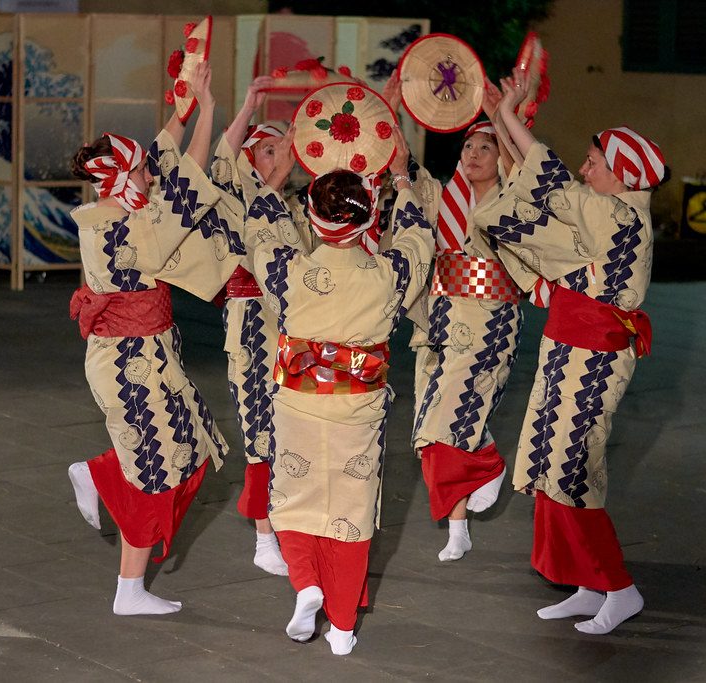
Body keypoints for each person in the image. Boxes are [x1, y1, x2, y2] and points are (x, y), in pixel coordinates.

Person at [472, 70, 665, 634]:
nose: (586, 169)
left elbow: (551, 183)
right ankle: (585, 583)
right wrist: (504, 124)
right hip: (568, 350)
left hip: (594, 360)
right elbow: (541, 191)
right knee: (548, 463)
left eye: (595, 162)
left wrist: (509, 117)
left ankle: (618, 587)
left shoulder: (623, 217)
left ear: (623, 173)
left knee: (573, 470)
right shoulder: (607, 215)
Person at [244, 126, 434, 655]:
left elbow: (259, 227)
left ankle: (305, 584)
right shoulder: (390, 274)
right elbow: (418, 234)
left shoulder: (288, 269)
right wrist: (400, 178)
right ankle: (344, 629)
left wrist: (276, 176)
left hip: (299, 403)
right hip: (357, 409)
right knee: (349, 514)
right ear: (371, 219)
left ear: (311, 219)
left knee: (294, 500)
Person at [65, 62, 242, 615]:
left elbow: (164, 158)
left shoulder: (109, 212)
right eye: (142, 171)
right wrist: (207, 110)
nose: (151, 177)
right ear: (127, 177)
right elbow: (189, 179)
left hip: (136, 358)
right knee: (161, 470)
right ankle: (126, 577)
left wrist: (185, 105)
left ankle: (127, 580)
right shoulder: (137, 227)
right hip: (132, 366)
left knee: (180, 456)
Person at [405, 79, 545, 562]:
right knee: (430, 429)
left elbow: (525, 169)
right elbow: (400, 166)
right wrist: (384, 106)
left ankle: (485, 464)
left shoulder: (513, 201)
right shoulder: (444, 196)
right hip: (439, 322)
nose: (474, 153)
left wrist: (502, 117)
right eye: (468, 145)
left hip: (489, 325)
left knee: (450, 419)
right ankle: (458, 524)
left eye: (485, 146)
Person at [206, 75, 302, 577]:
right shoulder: (232, 196)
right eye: (267, 151)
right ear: (248, 159)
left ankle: (290, 523)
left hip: (297, 327)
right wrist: (249, 103)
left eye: (283, 150)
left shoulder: (296, 205)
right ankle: (265, 535)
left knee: (298, 428)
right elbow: (221, 153)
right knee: (260, 424)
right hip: (252, 324)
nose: (278, 158)